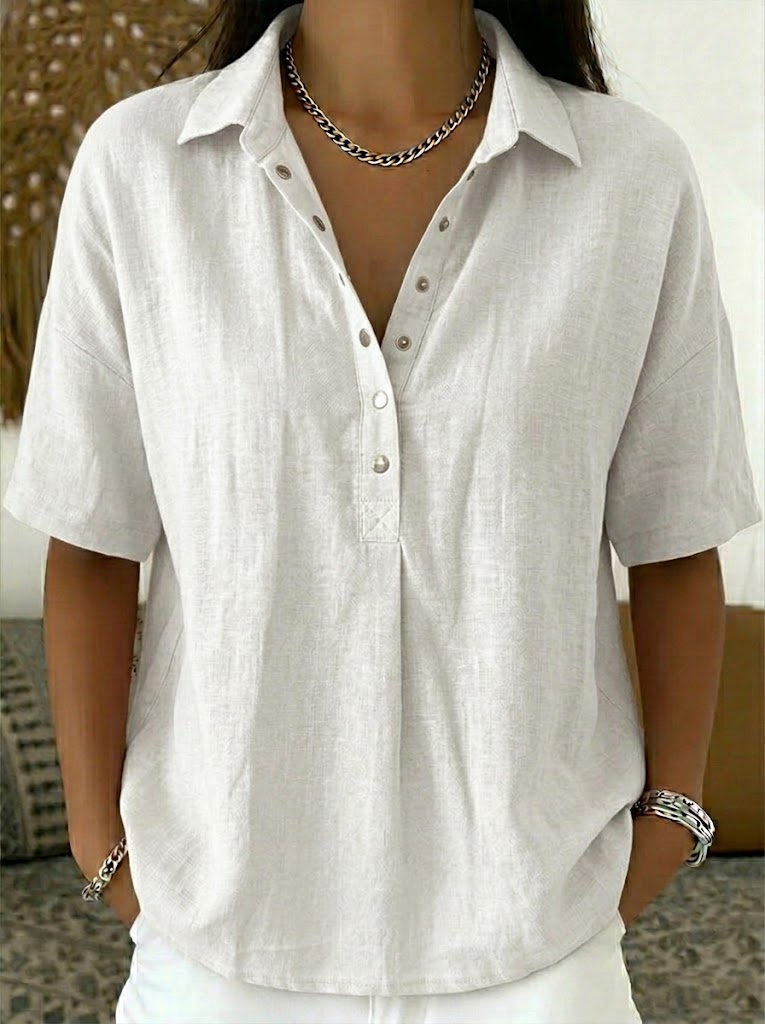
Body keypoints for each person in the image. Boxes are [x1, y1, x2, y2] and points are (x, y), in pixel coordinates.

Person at [3, 0, 761, 1022]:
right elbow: (93, 540)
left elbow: (674, 539)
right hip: (214, 948)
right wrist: (102, 847)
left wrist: (669, 821)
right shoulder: (142, 169)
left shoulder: (630, 178)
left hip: (541, 952)